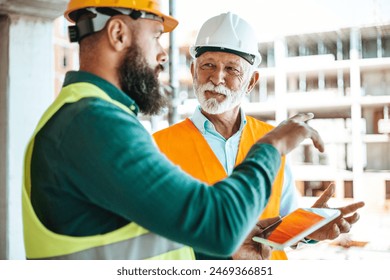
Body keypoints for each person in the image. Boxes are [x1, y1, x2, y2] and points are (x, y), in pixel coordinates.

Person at [21, 0, 325, 260]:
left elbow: (147, 240)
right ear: (118, 33)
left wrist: (231, 249)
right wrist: (272, 146)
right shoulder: (93, 123)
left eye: (231, 68)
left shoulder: (89, 117)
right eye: (156, 36)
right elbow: (221, 224)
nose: (163, 54)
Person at [153, 12, 365, 260]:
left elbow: (278, 226)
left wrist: (307, 229)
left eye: (232, 69)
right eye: (208, 64)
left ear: (251, 82)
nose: (217, 77)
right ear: (193, 70)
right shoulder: (157, 146)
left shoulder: (272, 139)